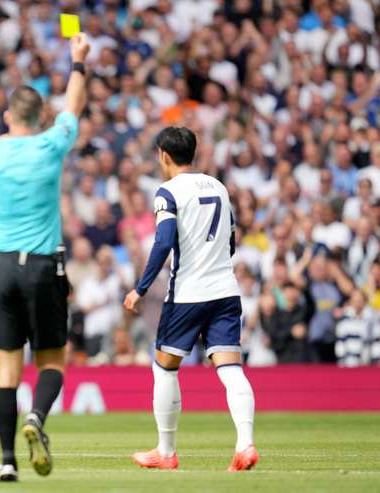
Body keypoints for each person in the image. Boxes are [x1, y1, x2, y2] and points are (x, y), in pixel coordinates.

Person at [0, 33, 90, 482]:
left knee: (7, 370)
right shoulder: (51, 144)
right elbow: (73, 106)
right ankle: (36, 418)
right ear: (42, 116)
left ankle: (7, 461)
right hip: (44, 264)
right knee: (52, 362)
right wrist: (77, 61)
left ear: (7, 116)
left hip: (2, 265)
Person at [123, 127, 259, 472]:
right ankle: (245, 444)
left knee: (164, 368)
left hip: (187, 294)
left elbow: (163, 242)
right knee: (230, 368)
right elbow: (230, 240)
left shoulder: (167, 192)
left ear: (163, 155)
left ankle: (166, 452)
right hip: (225, 290)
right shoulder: (219, 187)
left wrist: (140, 288)